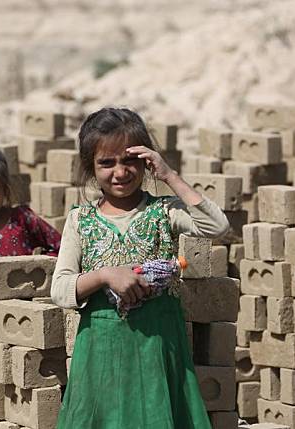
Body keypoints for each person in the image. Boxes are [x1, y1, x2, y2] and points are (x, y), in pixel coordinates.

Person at [51, 107, 230, 428]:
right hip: (102, 352)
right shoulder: (81, 220)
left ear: (145, 162)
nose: (120, 172)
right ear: (91, 168)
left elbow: (217, 225)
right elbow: (61, 289)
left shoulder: (164, 212)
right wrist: (106, 275)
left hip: (157, 348)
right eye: (107, 163)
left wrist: (170, 176)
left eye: (129, 160)